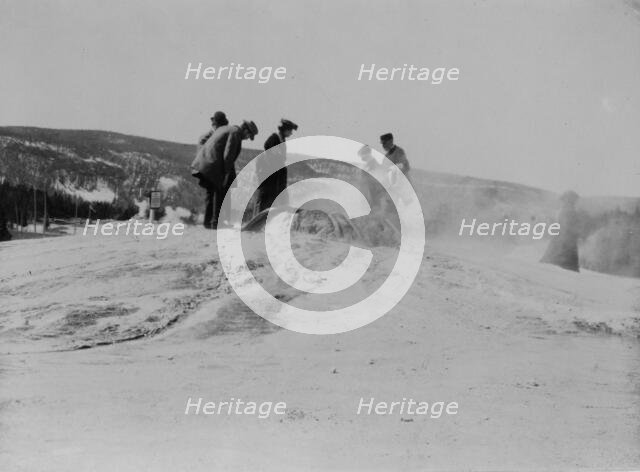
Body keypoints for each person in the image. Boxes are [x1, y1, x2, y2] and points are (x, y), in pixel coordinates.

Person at [191, 119, 258, 228]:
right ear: (245, 130)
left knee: (211, 193)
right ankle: (217, 223)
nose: (246, 138)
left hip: (205, 164)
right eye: (248, 136)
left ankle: (208, 223)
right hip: (213, 166)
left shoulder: (228, 129)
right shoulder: (235, 133)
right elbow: (228, 156)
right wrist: (226, 175)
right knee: (220, 191)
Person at [256, 119, 298, 212]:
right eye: (290, 130)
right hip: (269, 177)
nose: (291, 133)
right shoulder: (274, 138)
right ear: (285, 129)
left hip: (276, 178)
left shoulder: (281, 140)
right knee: (265, 202)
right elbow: (268, 147)